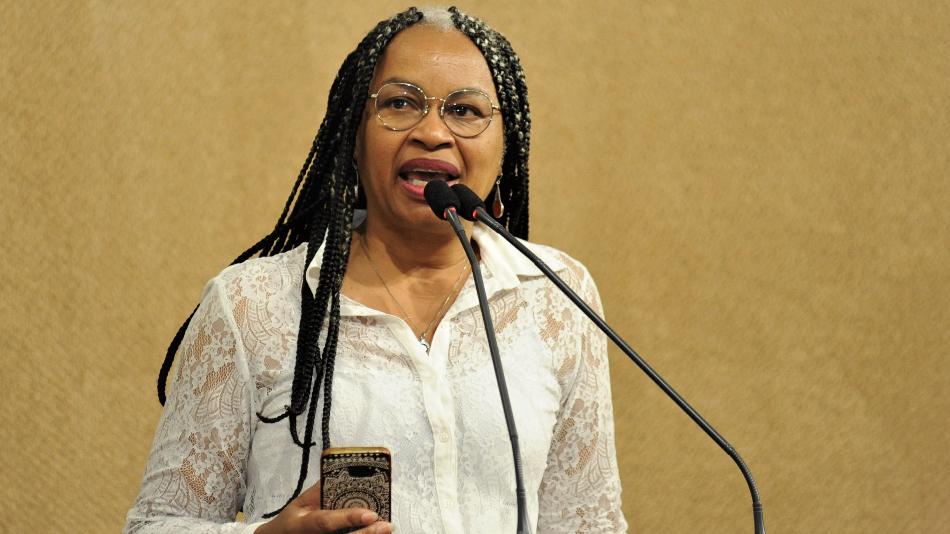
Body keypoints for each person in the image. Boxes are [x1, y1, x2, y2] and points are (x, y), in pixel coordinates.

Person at [125, 6, 627, 533]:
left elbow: (589, 524)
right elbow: (156, 524)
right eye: (400, 103)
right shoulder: (254, 306)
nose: (432, 131)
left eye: (465, 110)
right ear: (354, 136)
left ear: (506, 147)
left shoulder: (556, 296)